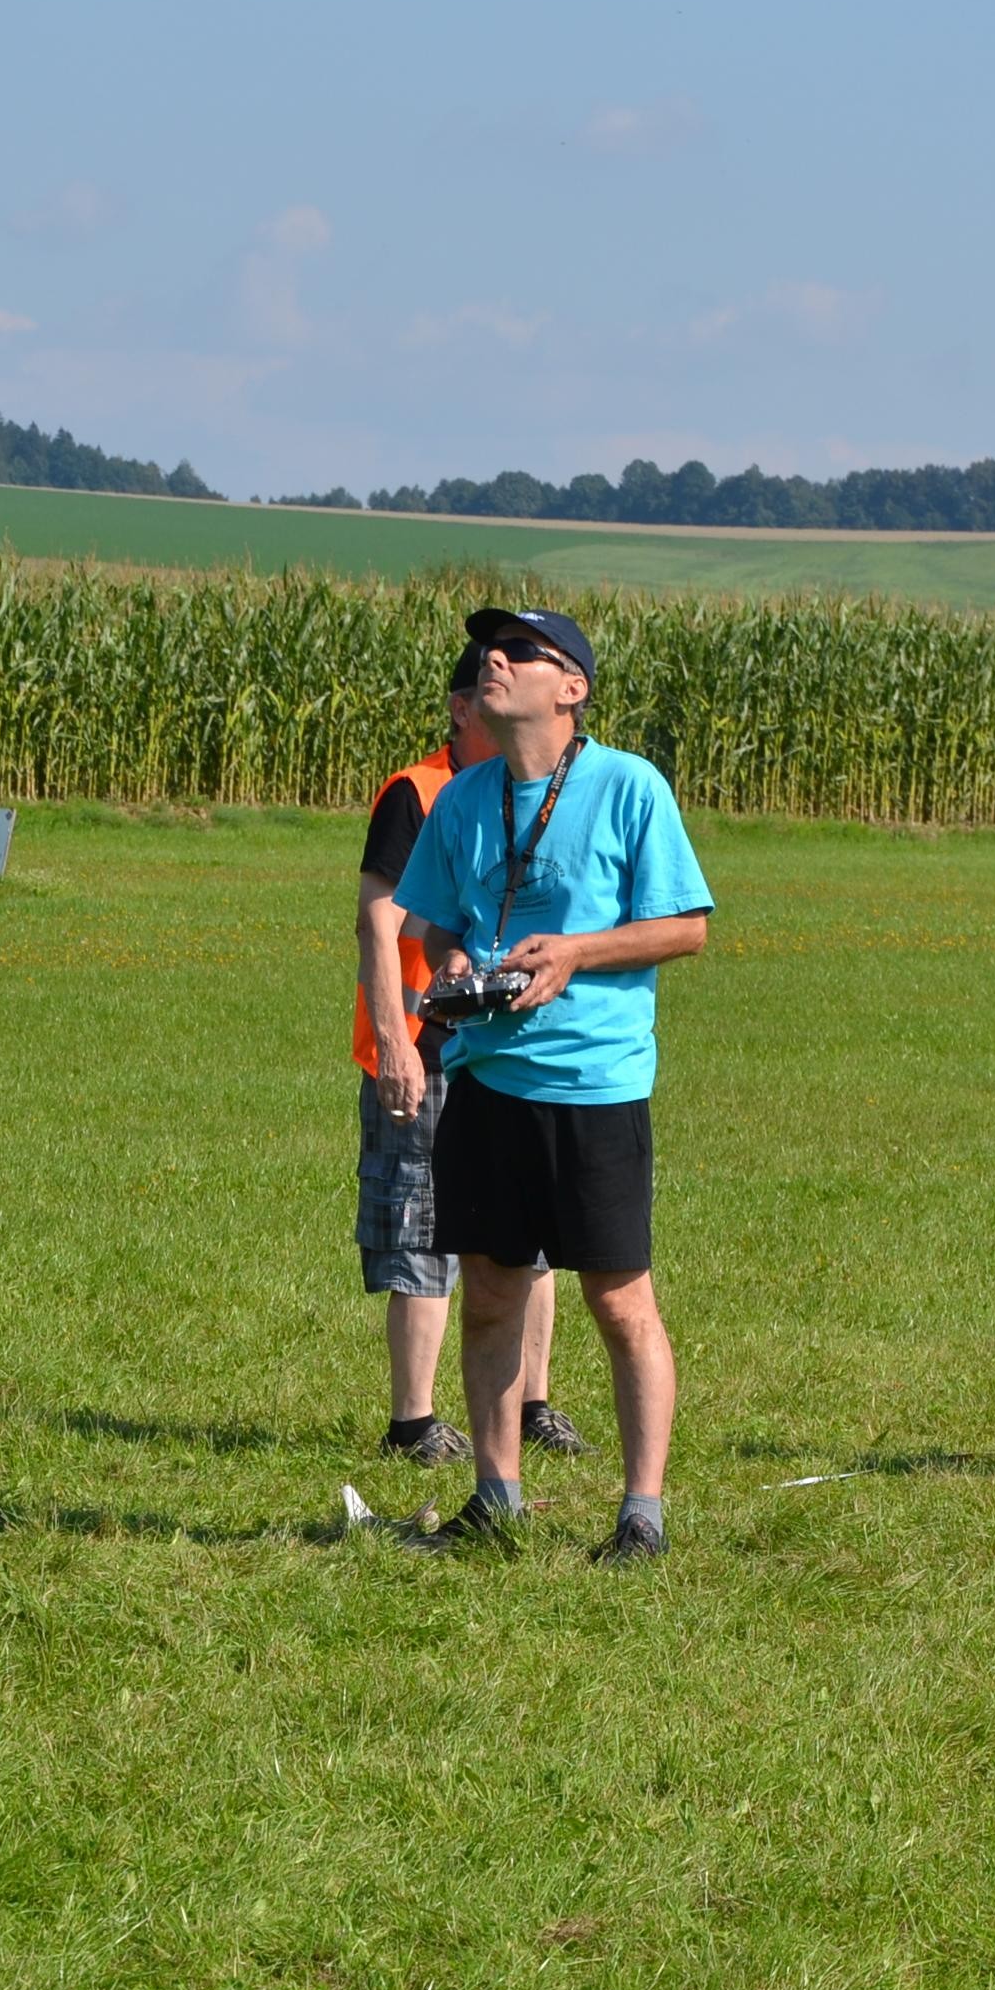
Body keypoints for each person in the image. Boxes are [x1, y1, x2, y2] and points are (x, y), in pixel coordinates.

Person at [391, 605, 713, 1565]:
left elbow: (687, 927)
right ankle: (496, 1505)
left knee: (619, 1302)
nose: (493, 659)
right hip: (487, 1080)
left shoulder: (629, 786)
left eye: (519, 651)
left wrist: (575, 952)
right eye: (489, 650)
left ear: (572, 688)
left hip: (594, 1085)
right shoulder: (462, 798)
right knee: (491, 1293)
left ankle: (642, 1517)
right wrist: (453, 966)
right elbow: (434, 928)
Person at [354, 648, 579, 1469]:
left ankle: (533, 1405)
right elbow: (379, 923)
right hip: (425, 1048)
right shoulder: (417, 792)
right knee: (420, 1227)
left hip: (510, 1048)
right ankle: (413, 1422)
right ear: (460, 709)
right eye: (487, 691)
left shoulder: (537, 796)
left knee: (531, 1233)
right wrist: (394, 1042)